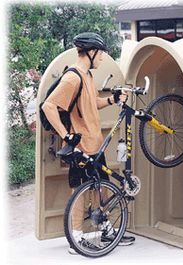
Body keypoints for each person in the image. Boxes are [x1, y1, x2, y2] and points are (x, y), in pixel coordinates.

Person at [42, 32, 135, 254]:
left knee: (102, 186)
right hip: (82, 145)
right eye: (101, 53)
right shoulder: (73, 77)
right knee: (80, 191)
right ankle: (76, 239)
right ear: (91, 52)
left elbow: (91, 102)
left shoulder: (87, 77)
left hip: (96, 144)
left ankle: (105, 230)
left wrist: (113, 99)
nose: (102, 58)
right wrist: (67, 136)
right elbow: (48, 106)